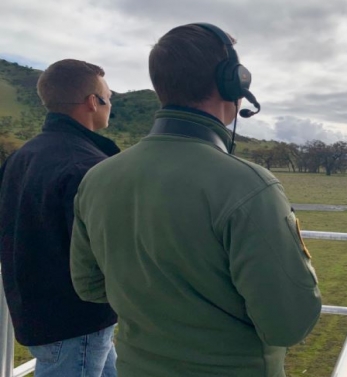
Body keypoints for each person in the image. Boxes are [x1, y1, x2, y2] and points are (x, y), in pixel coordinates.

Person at [70, 23, 322, 377]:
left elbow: (90, 287)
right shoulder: (249, 186)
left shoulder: (97, 178)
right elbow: (289, 323)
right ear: (232, 82)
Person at [0, 59, 119, 376]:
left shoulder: (21, 157)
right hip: (76, 319)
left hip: (34, 311)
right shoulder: (88, 165)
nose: (110, 105)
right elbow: (104, 251)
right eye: (108, 98)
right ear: (93, 102)